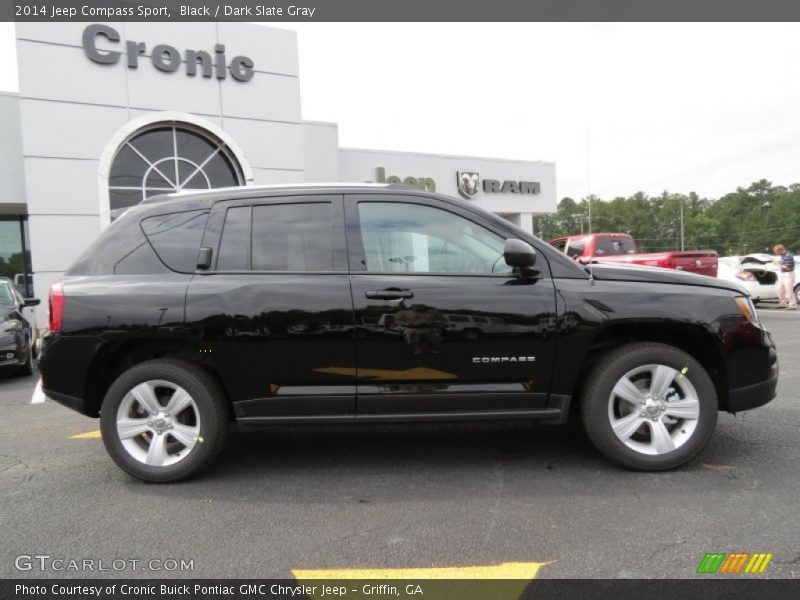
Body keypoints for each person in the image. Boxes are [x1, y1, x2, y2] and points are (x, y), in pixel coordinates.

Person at [772, 244, 797, 310]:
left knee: (789, 290)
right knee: (780, 289)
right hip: (783, 274)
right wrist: (778, 262)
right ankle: (782, 303)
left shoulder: (788, 256)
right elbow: (783, 263)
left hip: (788, 274)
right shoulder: (783, 256)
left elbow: (787, 267)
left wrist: (777, 263)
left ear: (780, 250)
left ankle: (792, 305)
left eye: (777, 252)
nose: (776, 253)